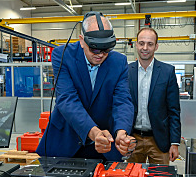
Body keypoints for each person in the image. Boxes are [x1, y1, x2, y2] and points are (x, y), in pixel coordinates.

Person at [36, 11, 134, 162]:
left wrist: (121, 132)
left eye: (106, 49)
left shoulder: (119, 61)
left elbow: (123, 100)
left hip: (104, 146)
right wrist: (94, 133)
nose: (100, 55)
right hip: (64, 142)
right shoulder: (62, 55)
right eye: (95, 49)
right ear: (82, 40)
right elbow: (67, 99)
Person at [127, 28, 181, 165]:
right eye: (141, 43)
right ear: (136, 45)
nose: (145, 48)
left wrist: (175, 143)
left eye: (150, 44)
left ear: (156, 46)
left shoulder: (167, 72)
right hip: (132, 139)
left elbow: (174, 110)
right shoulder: (126, 71)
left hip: (159, 141)